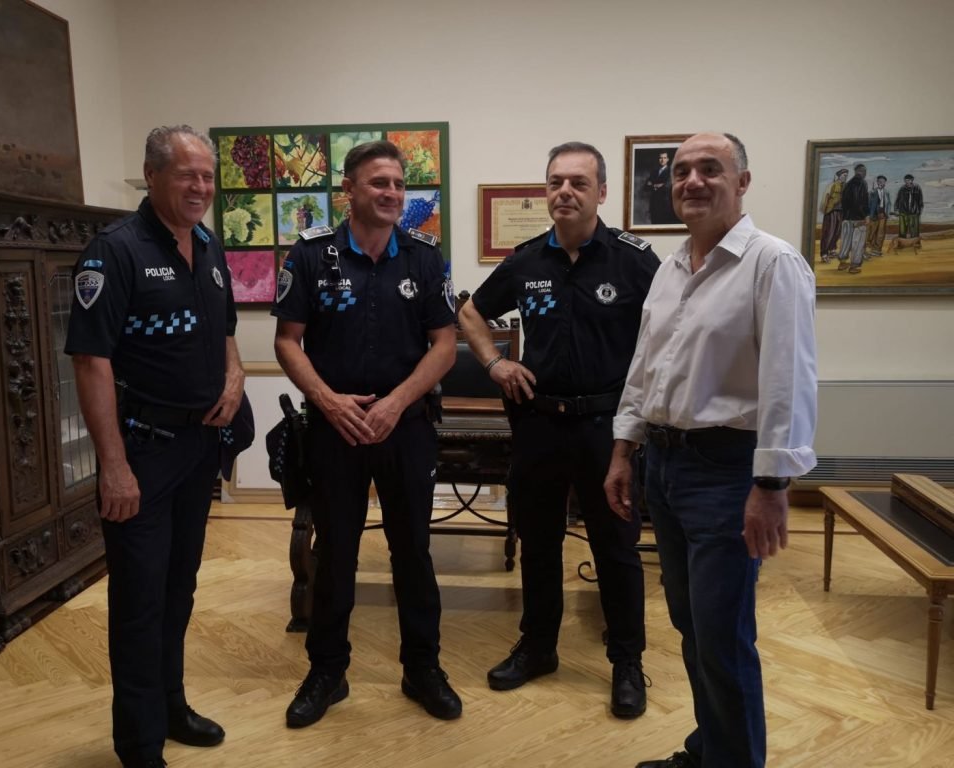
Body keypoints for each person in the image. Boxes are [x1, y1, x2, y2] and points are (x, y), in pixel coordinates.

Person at [605, 132, 817, 768]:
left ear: (742, 182)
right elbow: (645, 368)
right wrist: (623, 450)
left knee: (723, 635)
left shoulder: (772, 263)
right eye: (681, 172)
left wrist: (772, 486)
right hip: (665, 466)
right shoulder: (671, 270)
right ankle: (710, 750)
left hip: (727, 472)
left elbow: (788, 380)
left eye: (710, 169)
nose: (692, 181)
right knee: (691, 623)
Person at [460, 141, 660, 718]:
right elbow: (470, 312)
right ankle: (538, 647)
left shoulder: (634, 261)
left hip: (607, 429)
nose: (565, 192)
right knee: (539, 542)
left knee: (616, 547)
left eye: (578, 182)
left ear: (602, 192)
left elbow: (669, 334)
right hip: (540, 423)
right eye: (555, 182)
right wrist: (495, 363)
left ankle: (627, 661)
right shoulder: (527, 261)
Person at [65, 125, 245, 768]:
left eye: (208, 176)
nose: (200, 187)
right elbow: (90, 362)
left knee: (179, 588)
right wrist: (113, 467)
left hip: (198, 448)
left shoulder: (208, 244)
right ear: (151, 175)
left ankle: (171, 707)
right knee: (140, 601)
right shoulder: (114, 251)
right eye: (186, 174)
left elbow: (225, 329)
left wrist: (235, 374)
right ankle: (140, 746)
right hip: (141, 452)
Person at [272, 140, 460, 728]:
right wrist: (327, 402)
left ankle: (422, 668)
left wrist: (397, 403)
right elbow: (287, 341)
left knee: (413, 552)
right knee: (335, 554)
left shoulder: (424, 257)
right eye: (379, 183)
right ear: (348, 190)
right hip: (336, 430)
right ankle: (327, 671)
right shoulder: (310, 254)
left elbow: (445, 345)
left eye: (399, 184)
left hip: (406, 428)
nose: (392, 193)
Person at [836, 163, 869, 274]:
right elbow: (862, 201)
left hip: (846, 218)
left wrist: (845, 215)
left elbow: (844, 202)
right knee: (858, 243)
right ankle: (854, 266)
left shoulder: (848, 184)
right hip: (858, 218)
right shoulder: (863, 183)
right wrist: (866, 215)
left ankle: (842, 263)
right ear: (861, 171)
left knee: (846, 241)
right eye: (864, 171)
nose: (865, 173)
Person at [818, 168, 847, 261]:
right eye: (844, 175)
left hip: (841, 212)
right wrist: (825, 211)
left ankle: (832, 249)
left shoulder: (845, 186)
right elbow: (826, 198)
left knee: (837, 232)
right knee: (829, 232)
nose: (845, 177)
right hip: (831, 212)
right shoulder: (832, 185)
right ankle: (824, 254)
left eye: (846, 176)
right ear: (839, 176)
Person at [644, 151, 674, 224]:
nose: (662, 160)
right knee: (654, 225)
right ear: (658, 159)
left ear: (668, 159)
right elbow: (646, 187)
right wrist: (656, 185)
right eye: (661, 158)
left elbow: (667, 186)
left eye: (664, 158)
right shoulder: (654, 172)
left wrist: (652, 185)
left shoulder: (671, 172)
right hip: (654, 205)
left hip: (665, 205)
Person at [866, 175, 892, 257]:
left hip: (883, 215)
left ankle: (877, 250)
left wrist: (887, 213)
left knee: (880, 233)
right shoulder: (872, 192)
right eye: (880, 181)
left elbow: (889, 203)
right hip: (874, 215)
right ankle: (868, 249)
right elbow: (868, 204)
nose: (881, 183)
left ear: (885, 183)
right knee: (871, 232)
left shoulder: (886, 192)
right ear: (877, 182)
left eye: (883, 182)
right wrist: (868, 215)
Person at [895, 173, 924, 239]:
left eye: (908, 180)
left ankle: (915, 243)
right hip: (903, 212)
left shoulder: (917, 188)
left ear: (912, 180)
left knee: (914, 231)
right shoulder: (902, 188)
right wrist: (896, 209)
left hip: (914, 212)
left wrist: (920, 210)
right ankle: (901, 243)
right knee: (902, 230)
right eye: (905, 180)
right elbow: (898, 199)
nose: (907, 182)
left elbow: (920, 200)